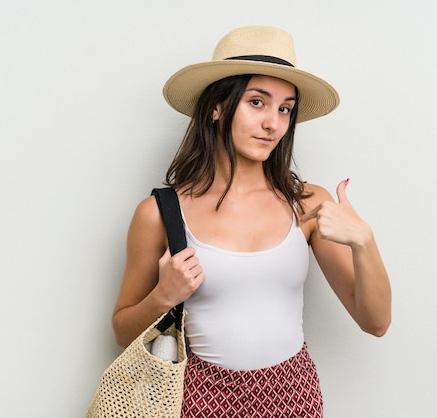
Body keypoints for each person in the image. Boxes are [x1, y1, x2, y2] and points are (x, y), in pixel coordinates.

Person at [112, 25, 392, 417]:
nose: (273, 123)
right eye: (257, 102)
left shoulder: (307, 203)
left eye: (284, 108)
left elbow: (375, 322)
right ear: (218, 106)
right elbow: (123, 331)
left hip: (294, 395)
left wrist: (364, 241)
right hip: (198, 399)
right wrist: (164, 295)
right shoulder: (160, 213)